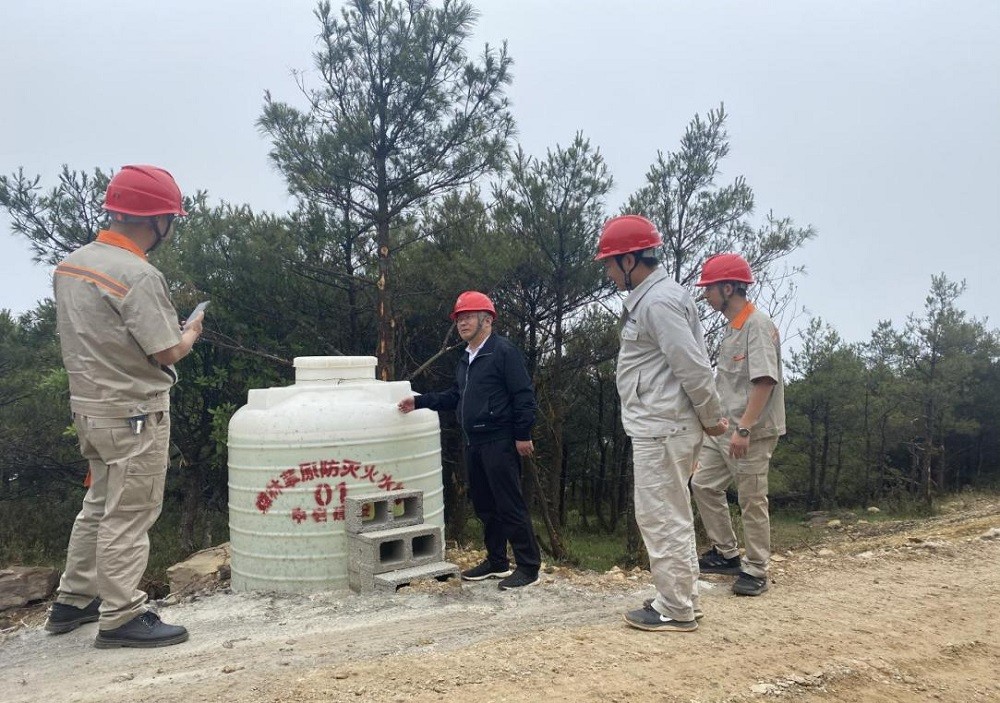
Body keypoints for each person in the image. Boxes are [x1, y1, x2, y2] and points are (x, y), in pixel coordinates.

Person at [45, 165, 204, 648]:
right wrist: (190, 333)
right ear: (158, 219)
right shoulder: (138, 274)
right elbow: (166, 351)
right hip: (134, 412)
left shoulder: (72, 265)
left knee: (98, 504)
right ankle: (121, 616)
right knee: (130, 512)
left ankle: (74, 600)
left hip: (90, 409)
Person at [595, 215, 728, 632]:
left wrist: (712, 418)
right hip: (665, 423)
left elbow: (693, 366)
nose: (608, 272)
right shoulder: (661, 297)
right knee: (673, 512)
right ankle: (682, 598)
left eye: (610, 263)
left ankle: (674, 607)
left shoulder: (656, 302)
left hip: (663, 425)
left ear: (630, 260)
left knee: (660, 516)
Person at [398, 291, 542, 590]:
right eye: (459, 319)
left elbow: (524, 395)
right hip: (473, 441)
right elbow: (456, 395)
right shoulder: (466, 358)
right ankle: (497, 562)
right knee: (486, 506)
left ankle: (528, 567)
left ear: (486, 320)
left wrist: (522, 434)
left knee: (509, 504)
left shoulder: (503, 352)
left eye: (468, 317)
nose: (461, 323)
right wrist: (420, 401)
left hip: (500, 440)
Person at [691, 253, 786, 597]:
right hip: (724, 429)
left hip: (751, 433)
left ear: (728, 288)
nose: (705, 295)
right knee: (703, 484)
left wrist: (744, 429)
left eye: (709, 288)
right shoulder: (732, 328)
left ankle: (756, 568)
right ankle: (726, 553)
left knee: (751, 499)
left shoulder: (757, 325)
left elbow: (765, 381)